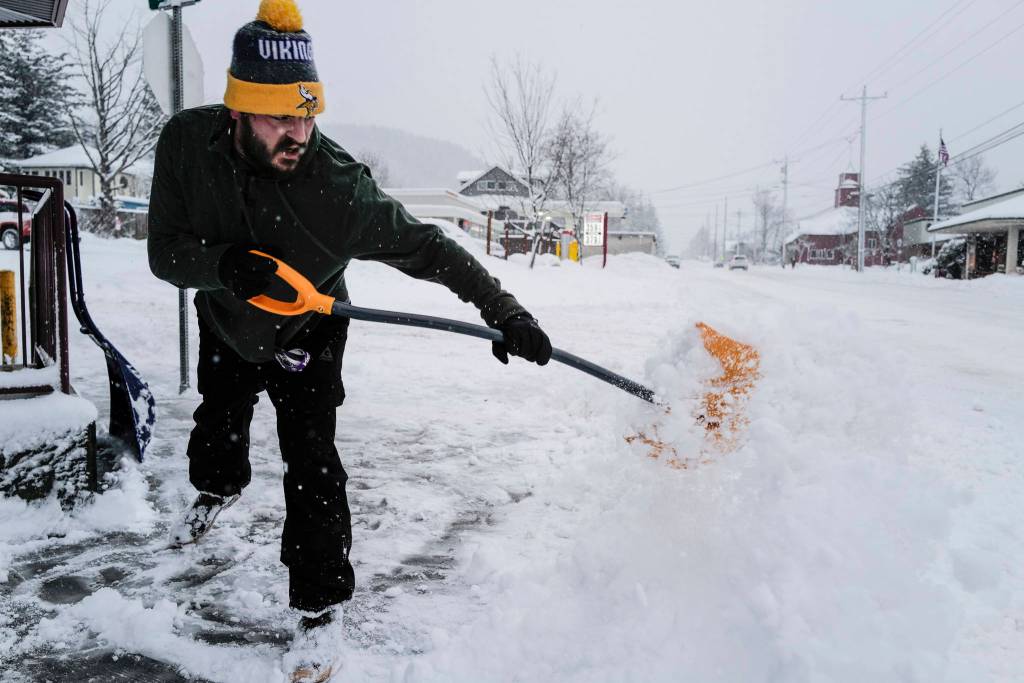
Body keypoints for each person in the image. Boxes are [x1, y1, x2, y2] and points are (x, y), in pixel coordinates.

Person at [146, 1, 551, 680]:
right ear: (239, 110)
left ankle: (320, 606)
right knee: (218, 420)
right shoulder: (187, 145)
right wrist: (222, 266)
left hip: (311, 325)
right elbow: (164, 253)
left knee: (312, 459)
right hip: (225, 315)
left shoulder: (339, 191)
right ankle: (218, 488)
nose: (298, 133)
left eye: (308, 115)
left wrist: (504, 310)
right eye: (281, 116)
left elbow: (431, 248)